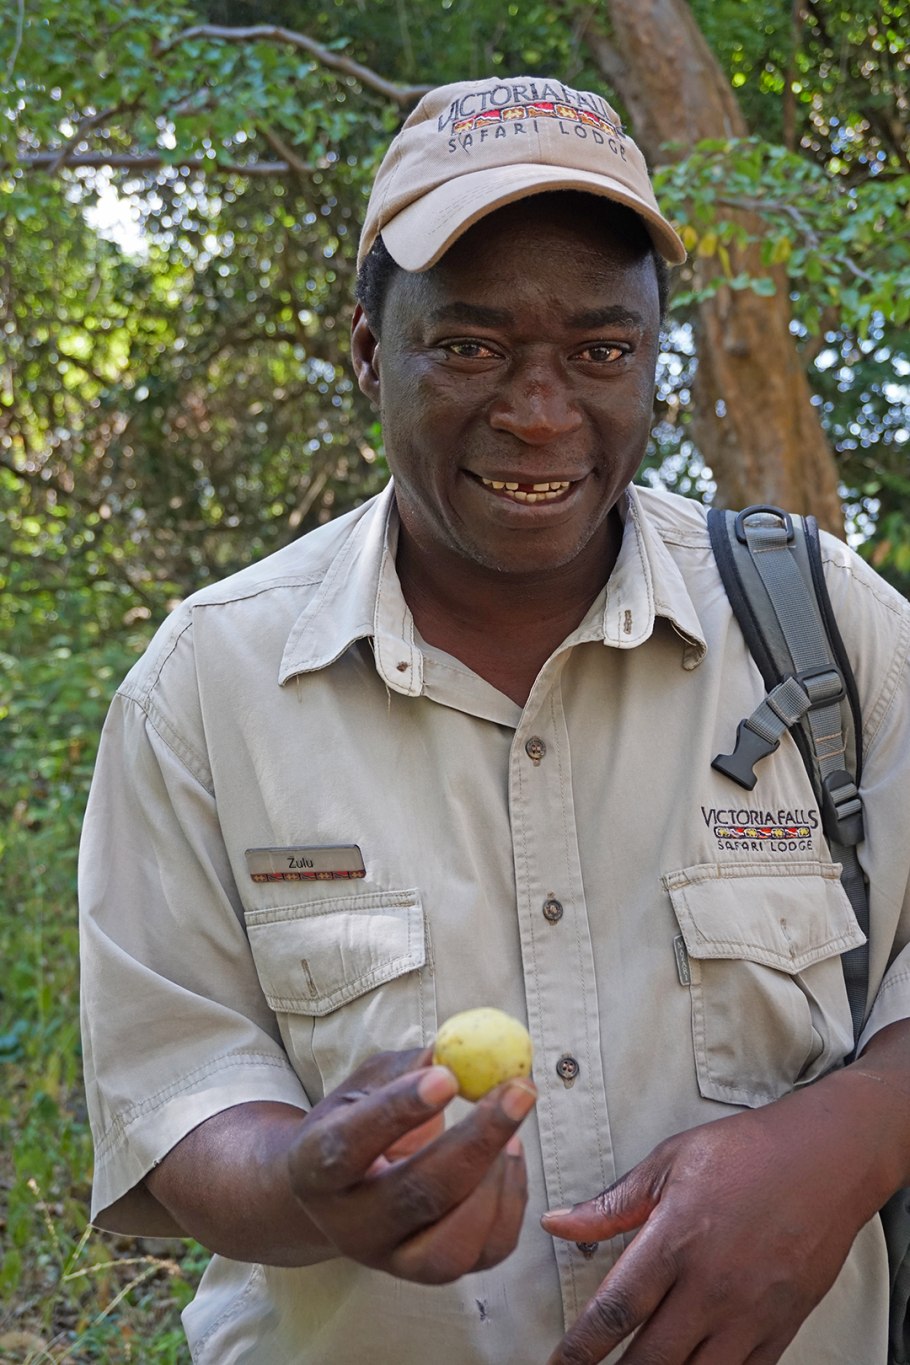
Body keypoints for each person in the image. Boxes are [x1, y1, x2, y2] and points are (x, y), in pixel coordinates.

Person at [78, 74, 910, 1365]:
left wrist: (846, 1137)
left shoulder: (826, 624)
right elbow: (175, 1085)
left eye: (600, 352)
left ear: (653, 359)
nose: (538, 412)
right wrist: (306, 1181)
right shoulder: (211, 680)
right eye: (469, 347)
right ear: (369, 351)